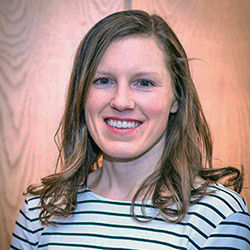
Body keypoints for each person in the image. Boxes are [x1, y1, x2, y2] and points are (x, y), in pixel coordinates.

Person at [11, 10, 249, 249]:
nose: (121, 101)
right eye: (103, 80)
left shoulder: (219, 217)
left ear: (176, 99)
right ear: (82, 94)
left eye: (144, 83)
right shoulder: (39, 212)